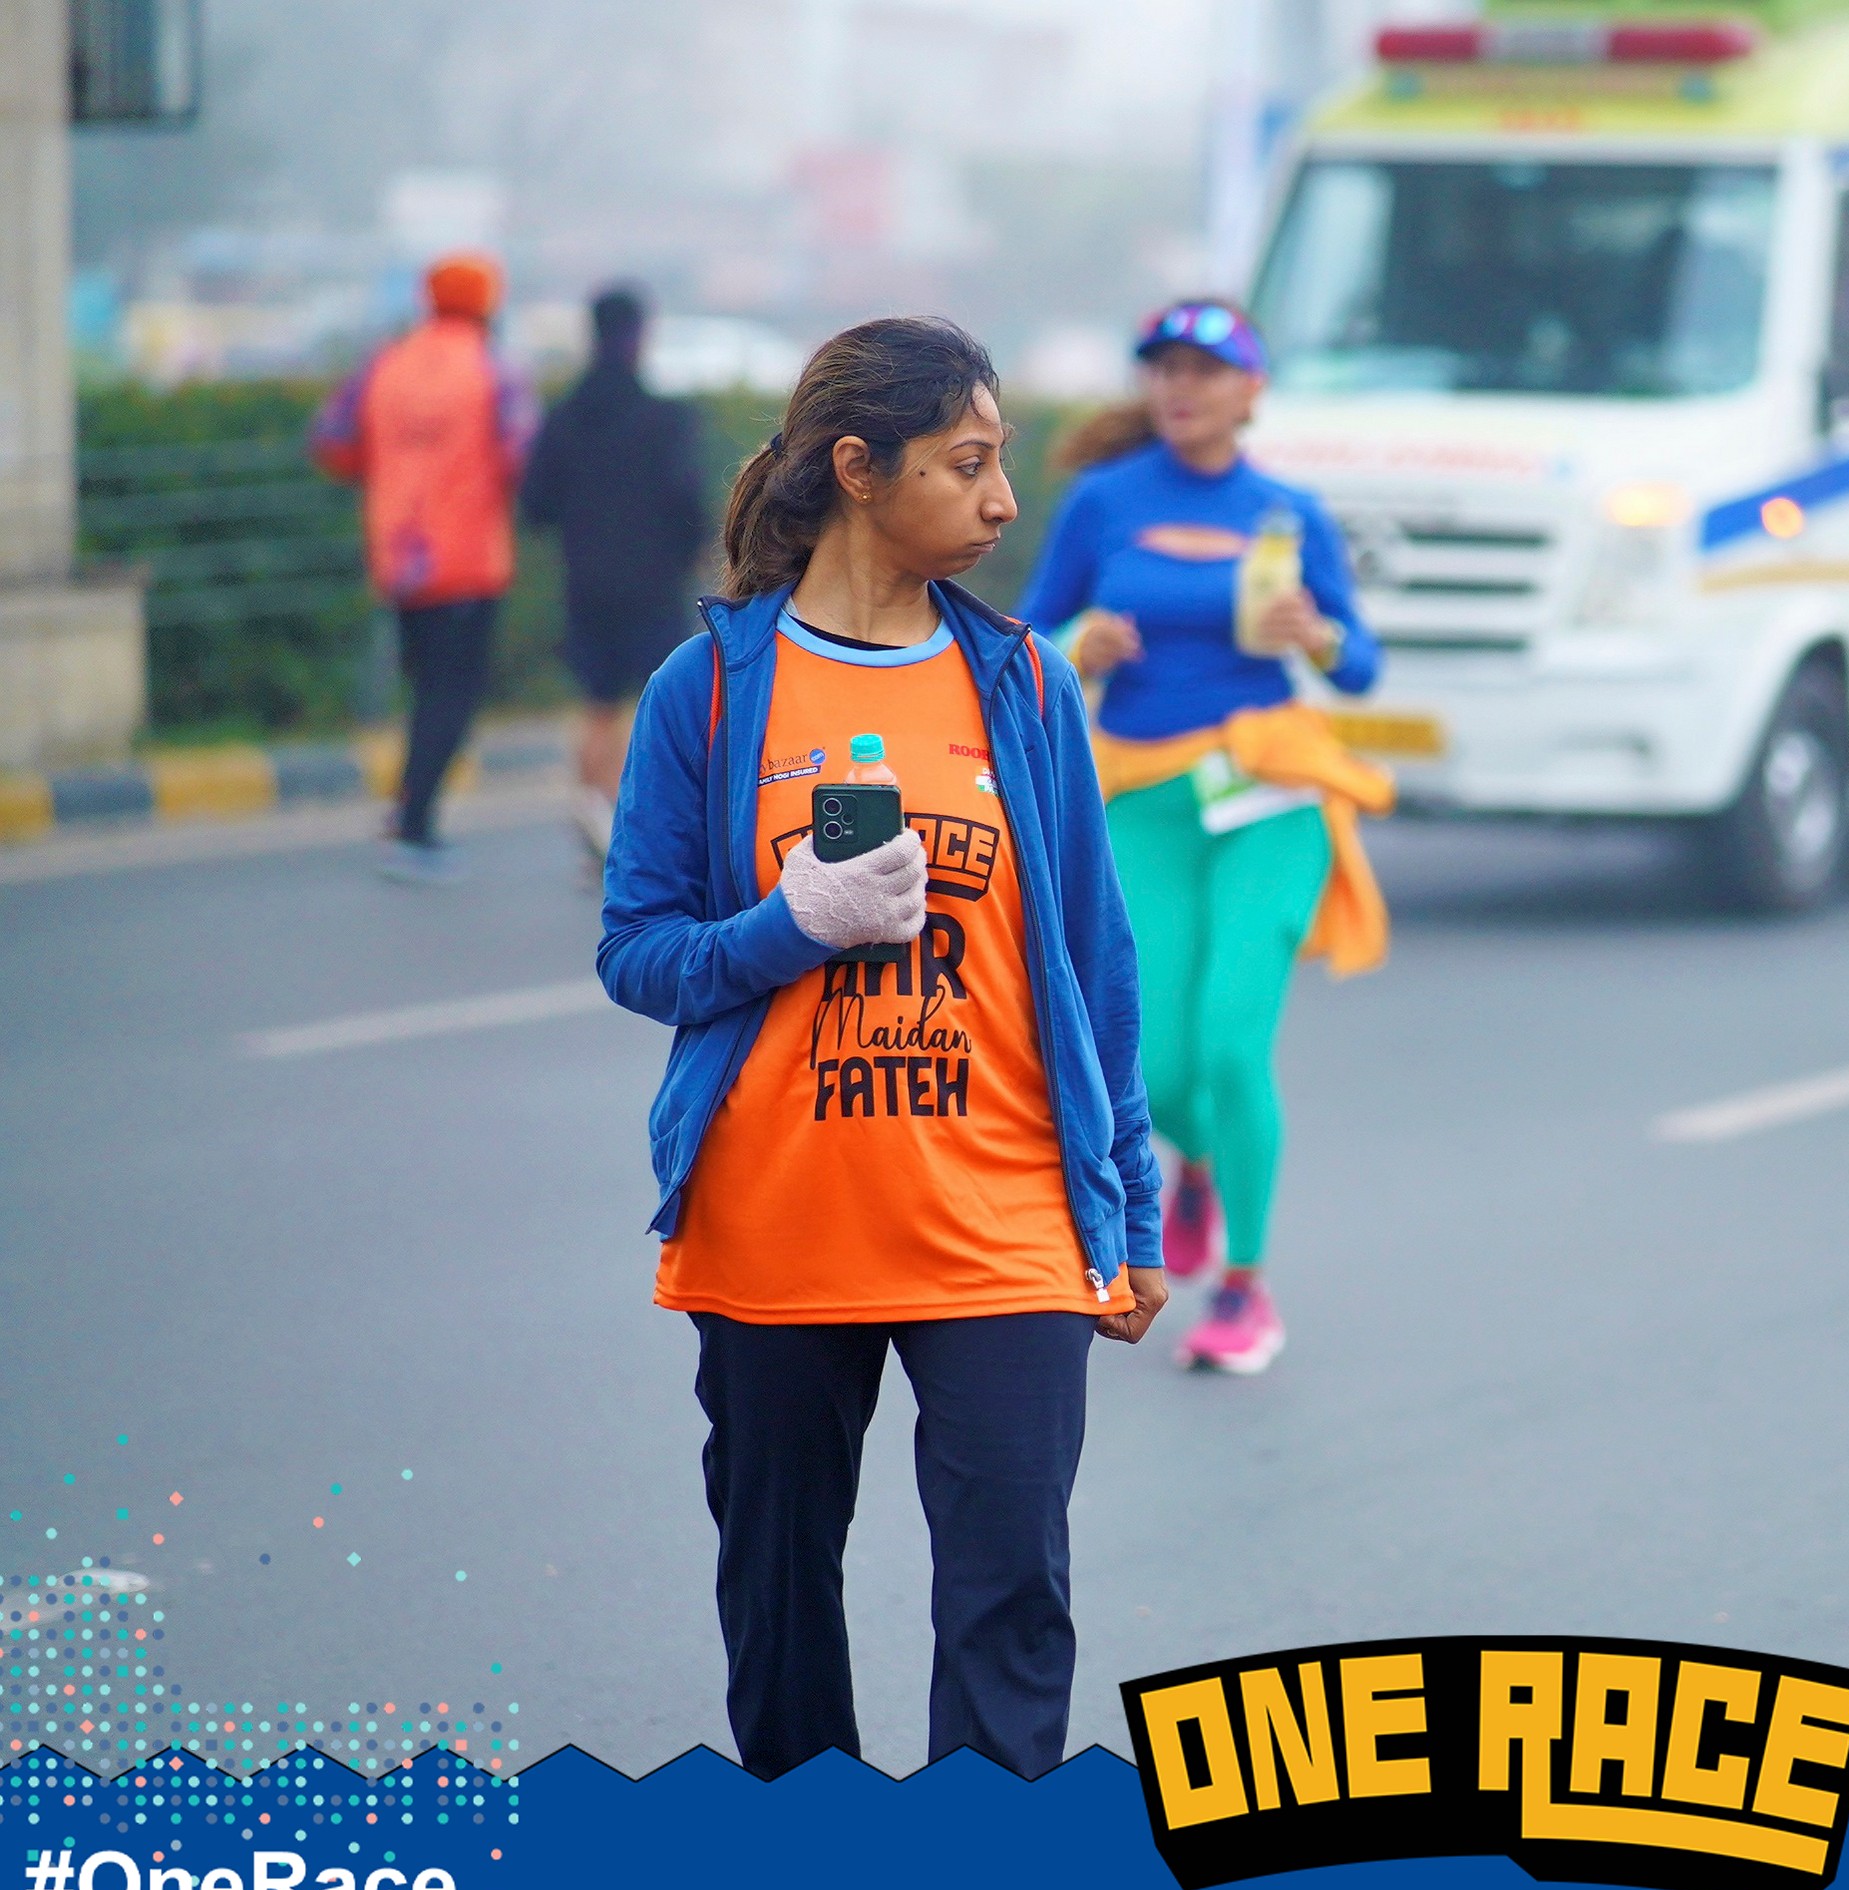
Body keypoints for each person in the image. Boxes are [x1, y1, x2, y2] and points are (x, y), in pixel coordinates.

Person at [597, 317, 1166, 1779]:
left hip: (1001, 1221)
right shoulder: (708, 693)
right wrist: (786, 927)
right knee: (779, 1598)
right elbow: (637, 950)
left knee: (1012, 1601)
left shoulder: (1023, 685)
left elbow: (1095, 962)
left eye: (1002, 463)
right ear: (858, 469)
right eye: (966, 465)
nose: (1003, 501)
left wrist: (1130, 1209)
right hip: (780, 1225)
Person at [1018, 299, 1389, 1378]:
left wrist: (1316, 633)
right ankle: (1197, 1169)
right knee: (1151, 1062)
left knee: (1231, 1044)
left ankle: (1244, 1288)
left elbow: (1361, 665)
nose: (1180, 388)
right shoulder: (1103, 501)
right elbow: (1025, 642)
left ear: (1250, 390)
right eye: (1164, 369)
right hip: (1142, 799)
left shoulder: (1288, 512)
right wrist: (1074, 642)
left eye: (1205, 369)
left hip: (1270, 795)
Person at [310, 250, 539, 884]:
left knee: (424, 691)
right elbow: (524, 457)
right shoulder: (494, 371)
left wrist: (387, 471)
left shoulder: (385, 363)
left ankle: (407, 808)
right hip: (467, 560)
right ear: (488, 306)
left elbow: (331, 441)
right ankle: (414, 827)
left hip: (398, 560)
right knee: (452, 696)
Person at [521, 284, 708, 861]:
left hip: (587, 582)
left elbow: (535, 505)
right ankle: (638, 834)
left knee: (597, 706)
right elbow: (688, 501)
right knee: (661, 705)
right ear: (640, 335)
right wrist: (691, 554)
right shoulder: (666, 418)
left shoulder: (563, 417)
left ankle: (592, 815)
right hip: (656, 582)